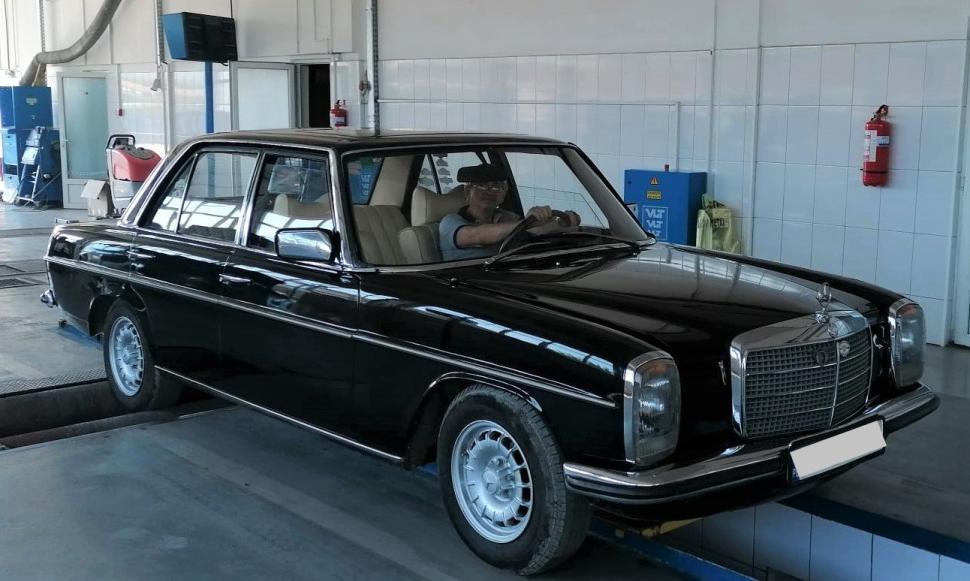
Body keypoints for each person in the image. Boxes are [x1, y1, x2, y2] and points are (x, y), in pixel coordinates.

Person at [439, 163, 580, 261]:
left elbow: (533, 233)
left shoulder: (508, 218)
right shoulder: (449, 222)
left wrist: (560, 223)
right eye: (481, 185)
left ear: (504, 194)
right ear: (468, 191)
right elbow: (476, 235)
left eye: (497, 186)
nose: (489, 191)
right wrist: (526, 222)